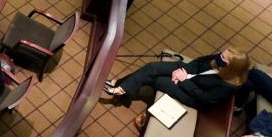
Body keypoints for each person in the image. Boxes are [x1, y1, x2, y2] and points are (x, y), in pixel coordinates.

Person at [103, 48, 250, 111]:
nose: (219, 56)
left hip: (192, 95)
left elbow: (204, 98)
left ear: (232, 67)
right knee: (152, 67)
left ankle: (120, 86)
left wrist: (183, 79)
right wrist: (185, 70)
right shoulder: (219, 60)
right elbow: (198, 61)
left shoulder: (229, 86)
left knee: (155, 79)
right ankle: (121, 88)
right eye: (222, 53)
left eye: (223, 57)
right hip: (188, 73)